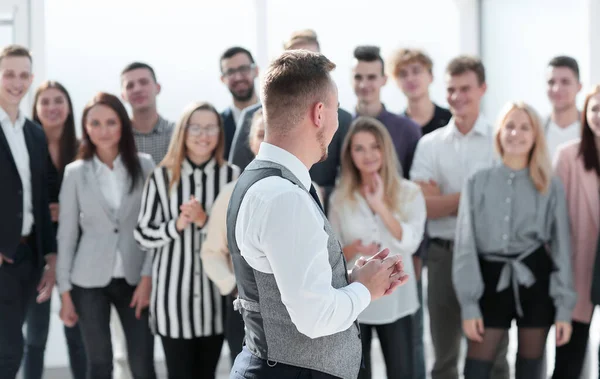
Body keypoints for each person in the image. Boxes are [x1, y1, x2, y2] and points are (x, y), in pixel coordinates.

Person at [228, 49, 409, 379]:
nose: (339, 122)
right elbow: (315, 318)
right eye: (337, 109)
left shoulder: (259, 179)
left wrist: (350, 281)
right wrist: (365, 290)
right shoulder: (284, 197)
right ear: (320, 113)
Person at [453, 102, 576, 379]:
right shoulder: (477, 181)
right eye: (510, 126)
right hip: (488, 282)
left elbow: (562, 249)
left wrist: (564, 309)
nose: (516, 133)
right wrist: (469, 304)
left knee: (530, 370)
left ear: (535, 136)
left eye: (524, 127)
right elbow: (465, 244)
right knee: (475, 370)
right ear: (499, 132)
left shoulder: (549, 184)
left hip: (535, 280)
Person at [409, 55, 509, 379]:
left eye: (465, 89)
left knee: (494, 358)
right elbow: (423, 207)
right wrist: (474, 196)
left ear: (483, 89)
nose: (456, 97)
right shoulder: (429, 145)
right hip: (442, 256)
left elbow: (504, 208)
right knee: (444, 358)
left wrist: (445, 199)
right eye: (451, 89)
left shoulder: (502, 141)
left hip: (489, 258)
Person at [135, 101, 240, 378]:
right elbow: (142, 234)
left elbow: (240, 240)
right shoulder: (161, 177)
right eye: (196, 127)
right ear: (183, 130)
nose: (203, 135)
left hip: (215, 301)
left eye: (210, 128)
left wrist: (205, 222)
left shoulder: (233, 176)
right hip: (173, 304)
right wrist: (177, 225)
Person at [56, 92, 156, 379]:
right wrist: (65, 293)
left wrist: (148, 278)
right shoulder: (75, 173)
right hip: (88, 281)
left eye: (111, 122)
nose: (103, 130)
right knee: (99, 364)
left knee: (142, 364)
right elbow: (66, 234)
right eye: (95, 123)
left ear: (123, 125)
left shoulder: (145, 165)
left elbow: (152, 225)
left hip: (135, 278)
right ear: (85, 127)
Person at [329, 116, 426, 379]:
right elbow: (333, 252)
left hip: (398, 298)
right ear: (349, 154)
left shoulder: (410, 193)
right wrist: (354, 249)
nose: (367, 155)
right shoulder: (340, 197)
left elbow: (411, 241)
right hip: (356, 299)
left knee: (402, 370)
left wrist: (380, 206)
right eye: (359, 148)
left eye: (374, 146)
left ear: (385, 149)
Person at [389, 47, 451, 379]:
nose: (411, 79)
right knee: (413, 320)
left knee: (447, 325)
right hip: (408, 233)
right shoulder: (396, 127)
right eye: (403, 73)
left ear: (430, 75)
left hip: (445, 232)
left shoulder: (448, 119)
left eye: (417, 71)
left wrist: (437, 194)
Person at [21, 81, 86, 379]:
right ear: (35, 108)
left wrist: (70, 210)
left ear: (69, 106)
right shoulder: (24, 146)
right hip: (38, 248)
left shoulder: (82, 147)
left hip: (77, 247)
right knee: (36, 334)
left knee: (78, 330)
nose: (52, 107)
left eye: (58, 100)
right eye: (44, 102)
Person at [0, 45, 56, 379]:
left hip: (28, 257)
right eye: (9, 74)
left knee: (14, 347)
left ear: (31, 79)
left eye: (24, 75)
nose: (17, 82)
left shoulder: (34, 133)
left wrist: (49, 257)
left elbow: (39, 198)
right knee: (8, 351)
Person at [552, 85, 600, 379]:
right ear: (585, 113)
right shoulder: (568, 156)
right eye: (595, 108)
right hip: (578, 271)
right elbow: (554, 222)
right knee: (569, 362)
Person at [352, 45, 422, 178]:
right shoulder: (337, 127)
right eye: (358, 77)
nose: (363, 84)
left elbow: (414, 183)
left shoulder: (408, 129)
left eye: (371, 77)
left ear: (384, 80)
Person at [219, 46, 260, 159]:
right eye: (230, 72)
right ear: (222, 79)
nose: (238, 77)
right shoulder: (218, 124)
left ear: (256, 71)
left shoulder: (276, 116)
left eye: (243, 69)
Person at [545, 56, 582, 158]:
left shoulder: (593, 129)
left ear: (579, 87)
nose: (557, 89)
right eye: (551, 82)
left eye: (565, 82)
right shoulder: (534, 130)